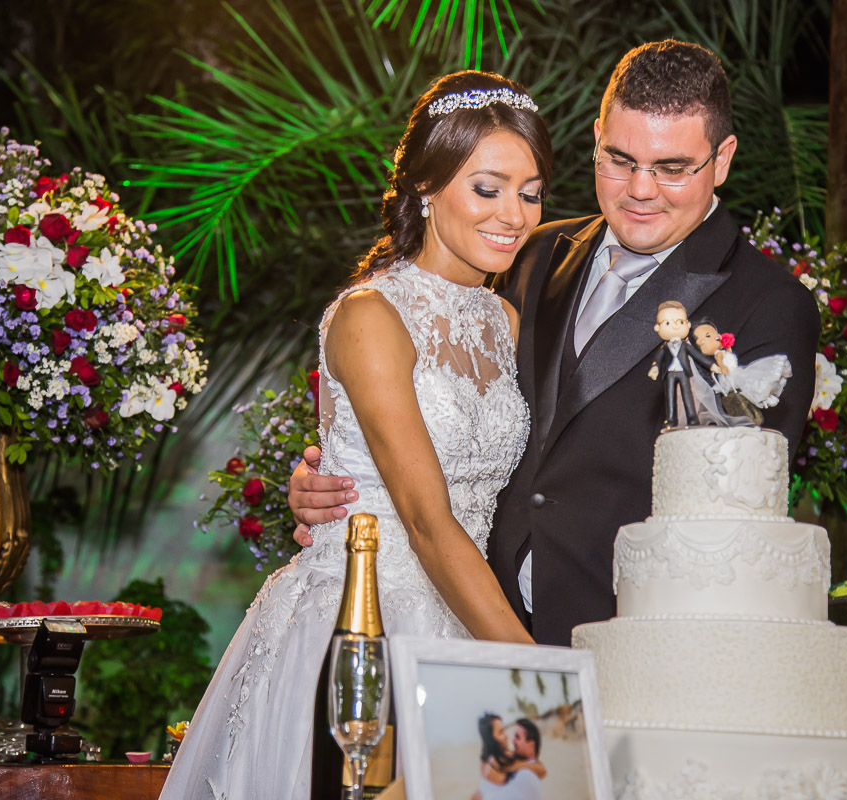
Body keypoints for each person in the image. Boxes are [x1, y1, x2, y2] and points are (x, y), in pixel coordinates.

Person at [289, 40, 820, 647]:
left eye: (671, 168)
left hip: (637, 642)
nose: (640, 189)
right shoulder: (529, 257)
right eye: (619, 159)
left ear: (721, 160)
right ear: (595, 139)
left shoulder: (768, 305)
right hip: (475, 617)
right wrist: (331, 477)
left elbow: (735, 516)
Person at [158, 71, 552, 800]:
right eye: (488, 188)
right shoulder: (371, 316)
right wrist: (536, 680)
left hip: (471, 613)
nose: (514, 214)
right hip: (365, 624)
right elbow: (424, 518)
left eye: (530, 191)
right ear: (428, 190)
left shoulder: (505, 322)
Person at [646, 300, 719, 428]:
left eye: (680, 322)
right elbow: (658, 359)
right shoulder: (664, 348)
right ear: (657, 328)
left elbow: (699, 357)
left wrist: (712, 366)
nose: (675, 326)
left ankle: (692, 417)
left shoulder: (686, 346)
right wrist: (655, 367)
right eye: (668, 323)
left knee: (687, 395)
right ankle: (670, 419)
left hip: (684, 372)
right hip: (669, 374)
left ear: (688, 324)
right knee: (670, 396)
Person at [474, 715, 545, 800]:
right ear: (491, 739)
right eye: (501, 732)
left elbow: (541, 770)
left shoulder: (490, 758)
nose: (507, 736)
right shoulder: (498, 761)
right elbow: (542, 771)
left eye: (504, 730)